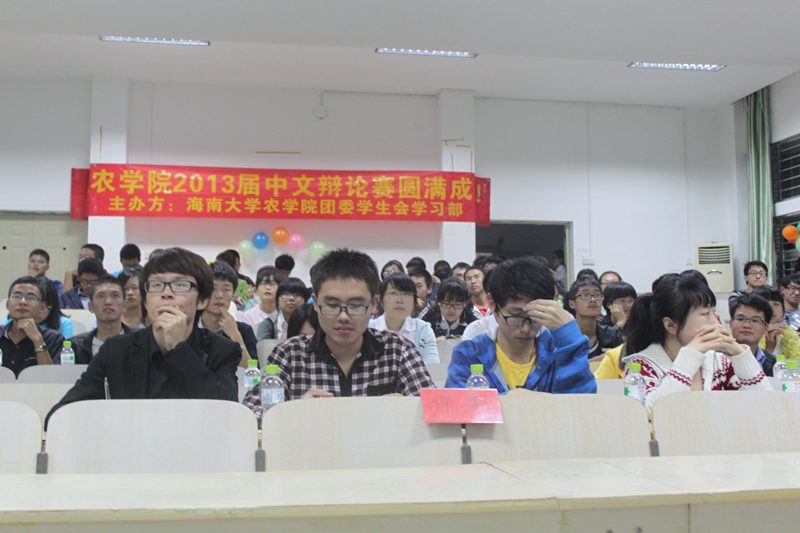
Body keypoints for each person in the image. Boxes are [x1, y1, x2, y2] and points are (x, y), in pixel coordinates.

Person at [47, 247, 240, 422]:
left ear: (202, 300)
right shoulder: (116, 350)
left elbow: (228, 417)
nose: (166, 293)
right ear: (146, 301)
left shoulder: (222, 351)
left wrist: (178, 349)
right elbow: (59, 415)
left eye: (180, 285)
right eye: (156, 285)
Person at [242, 248, 434, 409]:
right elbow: (252, 414)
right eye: (332, 305)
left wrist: (404, 410)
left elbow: (433, 411)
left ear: (375, 304)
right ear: (315, 303)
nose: (343, 317)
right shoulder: (290, 354)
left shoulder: (398, 350)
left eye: (355, 305)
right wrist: (295, 412)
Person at [623, 271, 772, 412]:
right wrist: (689, 355)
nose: (715, 323)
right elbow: (654, 412)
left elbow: (765, 405)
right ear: (671, 325)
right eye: (705, 314)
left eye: (714, 312)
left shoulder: (719, 362)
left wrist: (740, 354)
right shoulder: (641, 366)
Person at [445, 257, 595, 393]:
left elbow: (582, 405)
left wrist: (569, 337)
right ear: (493, 305)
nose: (526, 328)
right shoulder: (469, 354)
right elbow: (457, 408)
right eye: (516, 315)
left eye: (535, 317)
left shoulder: (557, 351)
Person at [369, 273, 439, 364]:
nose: (399, 300)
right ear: (380, 300)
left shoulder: (423, 329)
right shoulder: (368, 328)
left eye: (406, 294)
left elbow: (432, 366)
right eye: (393, 293)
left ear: (414, 300)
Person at [0, 277, 63, 376]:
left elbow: (51, 378)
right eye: (17, 296)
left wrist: (38, 341)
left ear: (42, 307)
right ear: (7, 304)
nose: (22, 302)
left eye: (31, 297)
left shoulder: (53, 339)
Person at [199, 262, 258, 368]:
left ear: (233, 294)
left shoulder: (244, 330)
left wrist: (235, 335)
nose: (219, 295)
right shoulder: (189, 328)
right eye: (213, 288)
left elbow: (252, 371)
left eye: (226, 289)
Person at [69, 276, 130, 363]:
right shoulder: (75, 346)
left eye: (115, 295)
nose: (108, 302)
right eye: (101, 296)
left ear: (125, 305)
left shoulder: (141, 343)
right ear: (90, 306)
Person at [565, 278, 624, 361]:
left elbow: (626, 363)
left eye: (597, 295)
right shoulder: (563, 336)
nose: (593, 300)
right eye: (585, 295)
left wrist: (615, 358)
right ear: (572, 304)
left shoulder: (612, 335)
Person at [728, 293, 776, 377]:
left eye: (755, 320)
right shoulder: (717, 358)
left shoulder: (773, 362)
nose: (746, 325)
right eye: (740, 319)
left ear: (766, 328)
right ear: (731, 323)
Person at [255, 277, 308, 341]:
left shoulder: (312, 323)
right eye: (286, 293)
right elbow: (261, 346)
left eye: (297, 294)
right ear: (277, 300)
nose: (291, 298)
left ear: (305, 301)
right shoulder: (268, 324)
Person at [754, 286, 800, 359]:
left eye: (775, 304)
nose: (771, 309)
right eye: (765, 304)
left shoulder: (789, 333)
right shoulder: (748, 333)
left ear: (783, 310)